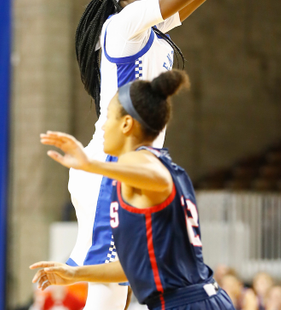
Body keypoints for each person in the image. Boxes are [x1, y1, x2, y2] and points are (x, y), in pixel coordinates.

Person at [66, 0, 261, 310]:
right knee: (110, 293)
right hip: (108, 163)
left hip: (142, 160)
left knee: (136, 280)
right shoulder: (122, 26)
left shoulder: (152, 31)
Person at [31, 70, 236, 310]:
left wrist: (91, 165)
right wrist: (75, 274)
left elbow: (159, 179)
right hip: (198, 299)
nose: (104, 126)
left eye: (108, 117)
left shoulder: (139, 161)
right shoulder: (158, 164)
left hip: (187, 303)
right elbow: (133, 266)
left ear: (127, 123)